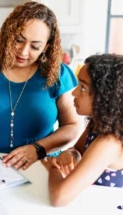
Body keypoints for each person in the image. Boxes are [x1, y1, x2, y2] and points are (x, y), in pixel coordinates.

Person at [0, 1, 81, 169]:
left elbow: (72, 125)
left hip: (41, 166)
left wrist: (38, 149)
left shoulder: (58, 74)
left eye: (35, 46)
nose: (23, 51)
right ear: (8, 35)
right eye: (18, 40)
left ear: (46, 47)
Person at [42, 54, 123, 207]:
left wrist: (53, 167)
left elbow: (59, 198)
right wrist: (69, 154)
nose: (74, 93)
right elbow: (77, 149)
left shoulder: (108, 143)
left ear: (105, 96)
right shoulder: (97, 123)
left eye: (83, 87)